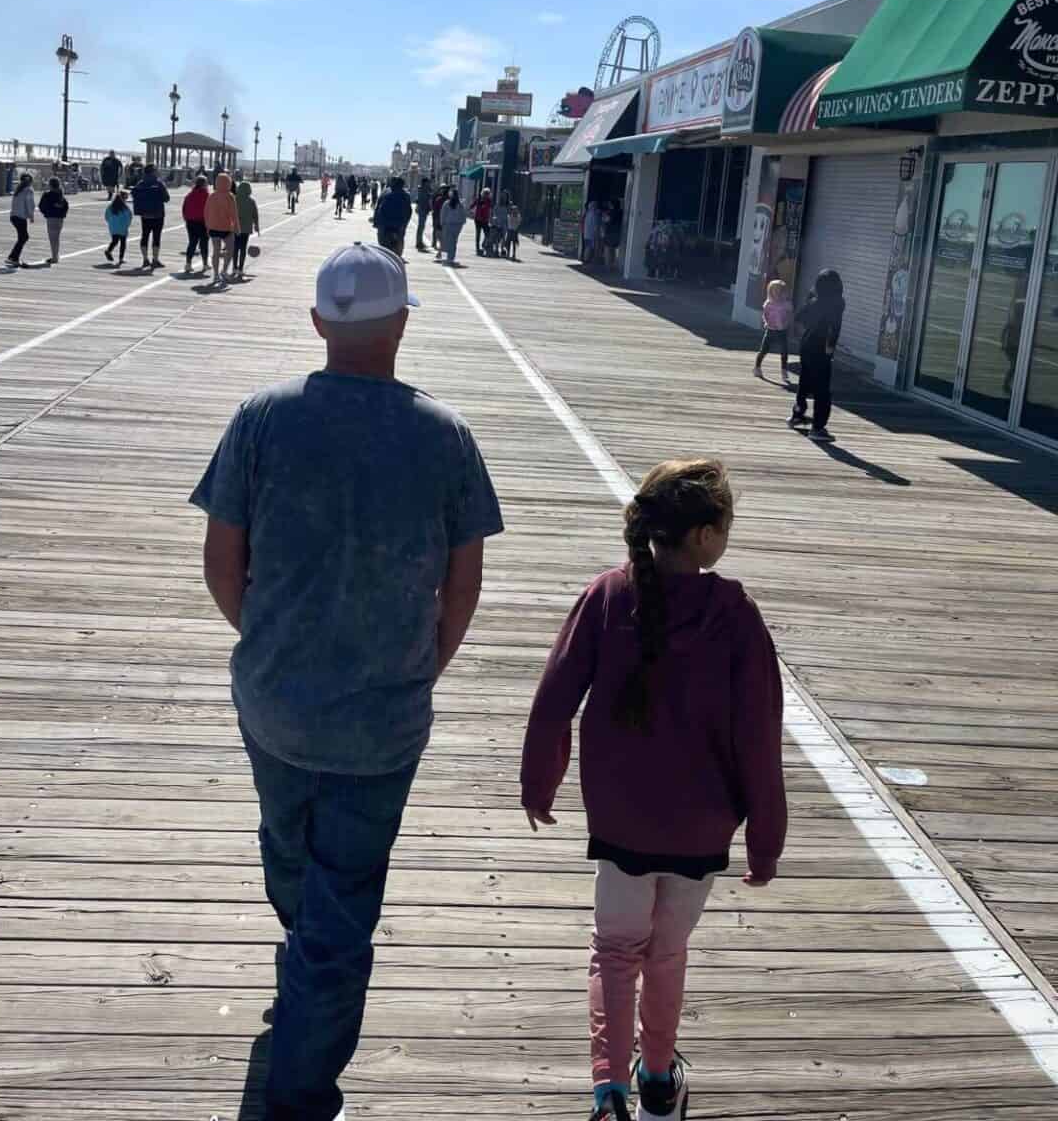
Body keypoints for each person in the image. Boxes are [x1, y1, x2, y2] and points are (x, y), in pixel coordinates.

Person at [191, 242, 503, 1121]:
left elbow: (220, 563)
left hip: (274, 703)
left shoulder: (261, 417)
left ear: (319, 322)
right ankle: (300, 1089)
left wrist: (270, 643)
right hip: (383, 722)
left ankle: (303, 963)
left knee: (287, 850)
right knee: (342, 901)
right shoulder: (446, 436)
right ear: (400, 323)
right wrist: (423, 667)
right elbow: (464, 584)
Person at [520, 459, 785, 1121]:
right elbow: (760, 737)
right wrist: (765, 840)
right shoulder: (735, 615)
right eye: (726, 524)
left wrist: (539, 781)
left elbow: (553, 700)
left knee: (615, 951)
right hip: (700, 829)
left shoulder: (608, 596)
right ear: (703, 536)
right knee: (666, 951)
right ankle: (660, 1082)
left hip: (622, 823)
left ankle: (609, 1089)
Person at [789, 268, 845, 443]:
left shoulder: (813, 301)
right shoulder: (837, 303)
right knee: (822, 389)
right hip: (821, 348)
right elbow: (835, 327)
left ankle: (797, 415)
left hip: (806, 345)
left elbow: (798, 319)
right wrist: (830, 348)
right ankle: (818, 428)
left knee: (804, 382)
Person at [132, 163, 170, 272]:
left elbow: (134, 194)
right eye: (156, 170)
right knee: (156, 237)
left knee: (144, 236)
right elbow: (166, 198)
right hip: (158, 214)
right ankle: (155, 259)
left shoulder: (140, 183)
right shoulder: (159, 183)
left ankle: (145, 259)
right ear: (153, 171)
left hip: (145, 215)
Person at [205, 171, 240, 287]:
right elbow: (234, 214)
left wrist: (207, 226)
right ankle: (224, 270)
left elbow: (206, 212)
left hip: (213, 228)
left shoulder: (212, 196)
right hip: (226, 228)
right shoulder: (230, 196)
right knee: (230, 249)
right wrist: (237, 227)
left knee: (216, 251)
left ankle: (215, 275)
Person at [755, 279, 792, 383]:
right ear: (770, 292)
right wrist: (766, 323)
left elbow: (789, 315)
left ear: (784, 292)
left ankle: (784, 371)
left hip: (782, 330)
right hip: (771, 330)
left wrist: (788, 324)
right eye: (775, 291)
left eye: (780, 291)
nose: (777, 293)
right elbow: (765, 315)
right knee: (764, 350)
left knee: (784, 351)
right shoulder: (768, 303)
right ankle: (757, 367)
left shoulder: (786, 304)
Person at [373, 175, 413, 256]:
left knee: (383, 243)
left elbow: (378, 208)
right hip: (399, 224)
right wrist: (405, 224)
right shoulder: (406, 195)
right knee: (400, 240)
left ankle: (384, 256)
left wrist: (375, 222)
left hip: (385, 224)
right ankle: (398, 256)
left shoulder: (385, 192)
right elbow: (409, 211)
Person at [182, 175, 211, 274]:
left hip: (191, 222)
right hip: (203, 222)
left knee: (192, 243)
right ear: (204, 184)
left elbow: (184, 208)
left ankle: (188, 264)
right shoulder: (207, 195)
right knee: (204, 244)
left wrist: (186, 218)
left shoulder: (189, 195)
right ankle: (205, 264)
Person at [38, 175, 69, 264]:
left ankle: (54, 257)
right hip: (60, 219)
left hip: (51, 218)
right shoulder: (61, 195)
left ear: (50, 185)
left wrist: (46, 213)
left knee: (52, 239)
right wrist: (62, 214)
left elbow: (41, 206)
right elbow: (66, 207)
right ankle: (55, 256)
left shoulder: (47, 195)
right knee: (57, 238)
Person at [233, 178, 260, 278]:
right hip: (246, 228)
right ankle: (241, 269)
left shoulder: (234, 199)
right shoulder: (251, 201)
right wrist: (256, 226)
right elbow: (255, 215)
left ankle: (234, 267)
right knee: (243, 248)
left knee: (235, 247)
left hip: (235, 227)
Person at [7, 173, 35, 266]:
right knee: (24, 237)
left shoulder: (18, 189)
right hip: (20, 217)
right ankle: (13, 257)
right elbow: (29, 204)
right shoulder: (29, 190)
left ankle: (13, 256)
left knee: (22, 237)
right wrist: (31, 216)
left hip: (14, 216)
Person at [438, 188, 466, 265]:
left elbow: (443, 214)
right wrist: (462, 222)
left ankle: (448, 258)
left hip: (448, 225)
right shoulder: (460, 204)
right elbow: (463, 215)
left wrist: (442, 223)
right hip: (457, 225)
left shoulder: (447, 203)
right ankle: (451, 257)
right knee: (453, 242)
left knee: (448, 242)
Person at [105, 190, 132, 266]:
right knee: (123, 243)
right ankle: (121, 258)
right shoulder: (126, 208)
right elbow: (129, 217)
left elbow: (106, 217)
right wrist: (127, 225)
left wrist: (111, 223)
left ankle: (109, 250)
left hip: (113, 227)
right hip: (123, 228)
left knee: (114, 241)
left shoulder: (110, 207)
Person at [582, 198, 603, 266]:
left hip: (587, 234)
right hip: (591, 234)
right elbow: (595, 225)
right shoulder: (594, 214)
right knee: (589, 247)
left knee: (587, 247)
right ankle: (586, 260)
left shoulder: (588, 213)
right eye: (595, 205)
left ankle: (586, 260)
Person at [603, 201, 624, 272]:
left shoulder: (610, 213)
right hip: (617, 233)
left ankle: (608, 266)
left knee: (608, 250)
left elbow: (606, 221)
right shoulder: (621, 212)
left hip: (609, 233)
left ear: (612, 205)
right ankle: (614, 265)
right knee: (615, 250)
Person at [414, 178, 433, 253]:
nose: (429, 184)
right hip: (422, 209)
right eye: (428, 182)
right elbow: (423, 200)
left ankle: (420, 241)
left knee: (421, 226)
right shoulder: (422, 190)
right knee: (421, 226)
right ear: (424, 183)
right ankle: (419, 242)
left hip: (423, 209)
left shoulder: (425, 189)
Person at [472, 189, 493, 256]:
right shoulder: (478, 200)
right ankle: (478, 249)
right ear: (482, 193)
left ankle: (484, 245)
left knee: (488, 234)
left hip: (485, 220)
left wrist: (490, 218)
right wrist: (473, 212)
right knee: (478, 234)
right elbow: (471, 206)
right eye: (485, 193)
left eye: (487, 194)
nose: (486, 195)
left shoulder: (489, 201)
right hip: (478, 220)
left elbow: (491, 209)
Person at [489, 193, 509, 258]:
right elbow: (494, 213)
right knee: (497, 238)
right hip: (498, 223)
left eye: (505, 197)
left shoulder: (508, 206)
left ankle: (502, 249)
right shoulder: (497, 205)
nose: (504, 198)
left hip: (505, 224)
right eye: (503, 197)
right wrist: (494, 221)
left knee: (503, 238)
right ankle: (496, 250)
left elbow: (509, 215)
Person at [431, 186, 448, 254]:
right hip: (444, 219)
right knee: (443, 233)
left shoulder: (439, 198)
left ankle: (435, 243)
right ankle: (441, 245)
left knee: (436, 231)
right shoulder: (448, 200)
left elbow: (435, 208)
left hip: (437, 217)